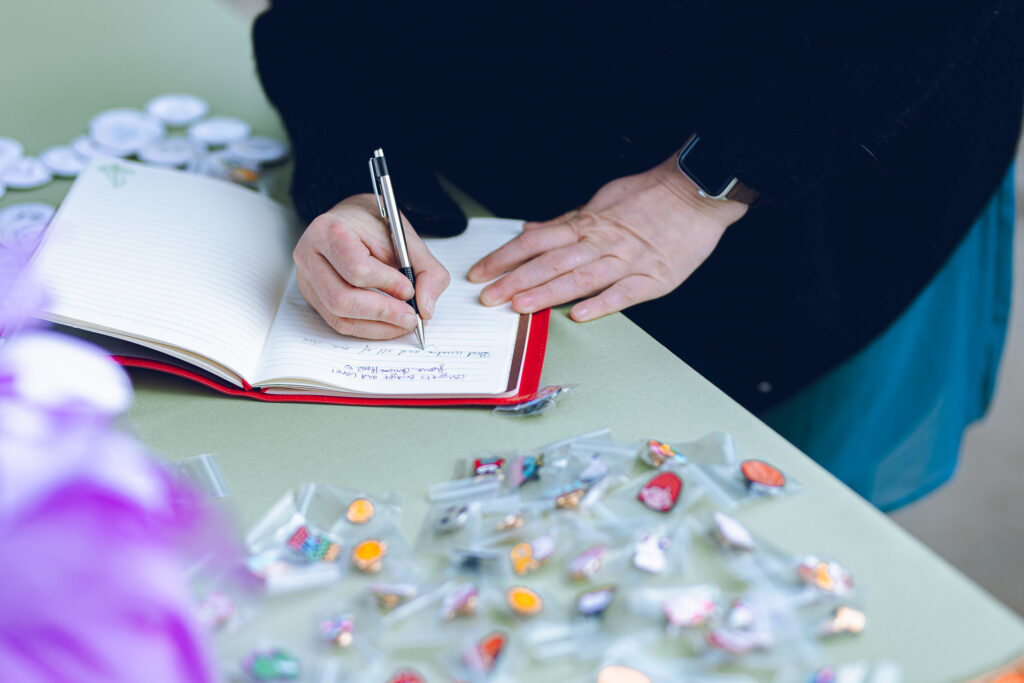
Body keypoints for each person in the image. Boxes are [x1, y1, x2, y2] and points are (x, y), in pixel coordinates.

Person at [252, 2, 1024, 509]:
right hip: (503, 137)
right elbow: (322, 23)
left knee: (792, 505)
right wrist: (351, 171)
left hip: (838, 154)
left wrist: (714, 178)